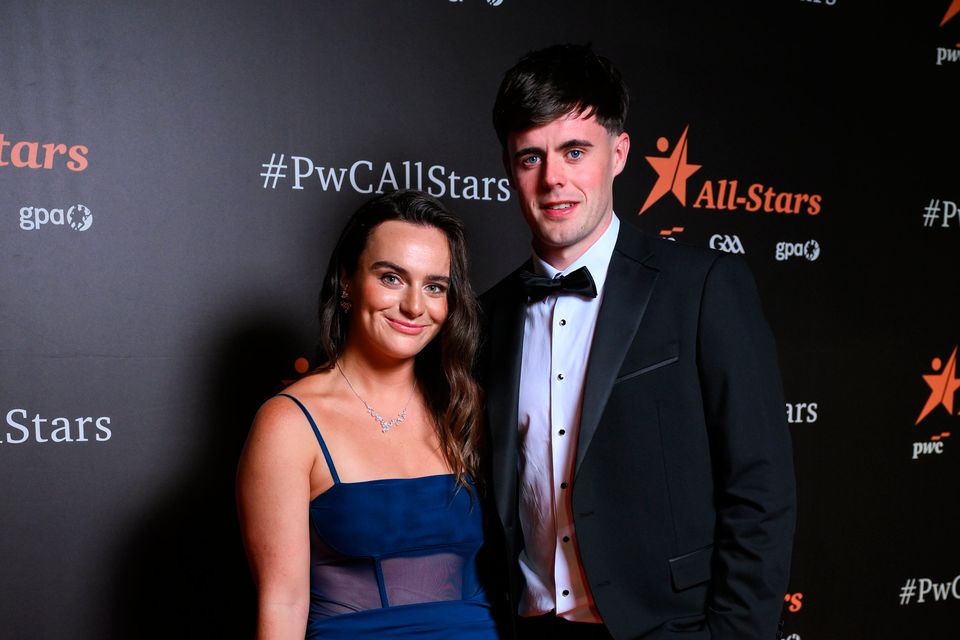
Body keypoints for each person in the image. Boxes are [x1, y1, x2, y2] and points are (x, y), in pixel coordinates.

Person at [478, 44, 796, 639]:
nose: (554, 179)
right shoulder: (487, 317)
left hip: (671, 628)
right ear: (508, 167)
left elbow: (760, 488)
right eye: (531, 158)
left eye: (576, 151)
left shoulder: (703, 287)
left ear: (619, 152)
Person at [236, 189, 500, 639]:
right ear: (347, 282)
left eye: (434, 286)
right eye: (392, 278)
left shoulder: (462, 406)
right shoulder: (289, 424)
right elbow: (282, 605)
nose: (415, 306)